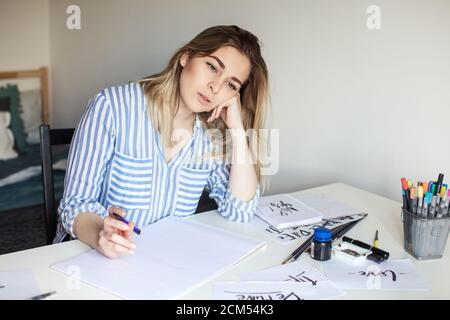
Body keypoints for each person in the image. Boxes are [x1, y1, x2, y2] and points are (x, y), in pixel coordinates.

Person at [55, 25, 270, 258]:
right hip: (93, 258)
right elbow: (75, 203)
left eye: (231, 84)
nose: (216, 87)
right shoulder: (112, 106)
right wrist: (101, 235)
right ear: (186, 57)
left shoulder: (211, 138)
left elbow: (240, 210)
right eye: (211, 67)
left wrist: (237, 131)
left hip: (164, 265)